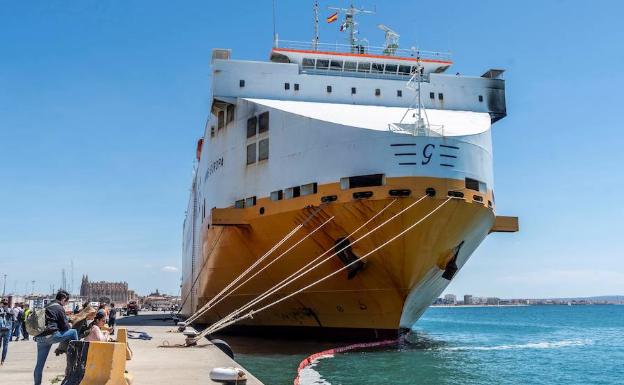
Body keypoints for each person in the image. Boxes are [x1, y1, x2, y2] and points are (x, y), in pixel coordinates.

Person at [34, 290, 78, 385]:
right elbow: (65, 327)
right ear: (63, 299)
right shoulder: (59, 308)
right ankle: (77, 355)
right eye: (67, 301)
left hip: (40, 338)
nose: (66, 304)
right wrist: (70, 323)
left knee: (39, 365)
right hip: (51, 336)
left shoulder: (47, 306)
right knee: (73, 332)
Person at [0, 299, 13, 366]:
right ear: (7, 304)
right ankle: (2, 361)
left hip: (0, 329)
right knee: (5, 346)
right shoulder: (10, 309)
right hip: (8, 330)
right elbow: (13, 317)